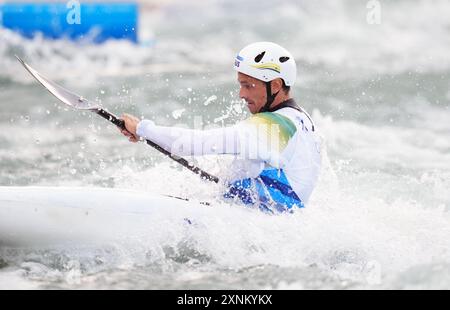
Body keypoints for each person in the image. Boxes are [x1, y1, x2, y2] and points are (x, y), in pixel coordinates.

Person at [119, 42, 321, 213]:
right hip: (264, 221)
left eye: (248, 85)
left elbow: (198, 143)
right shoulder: (300, 119)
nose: (241, 94)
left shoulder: (278, 125)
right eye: (240, 85)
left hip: (257, 225)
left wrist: (143, 129)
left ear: (275, 85)